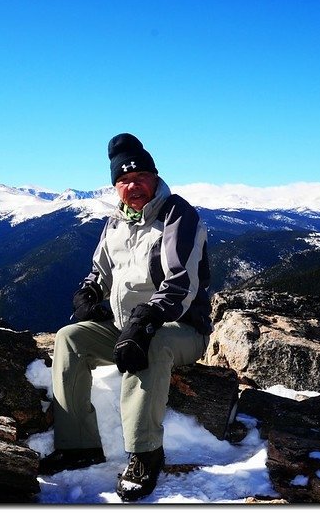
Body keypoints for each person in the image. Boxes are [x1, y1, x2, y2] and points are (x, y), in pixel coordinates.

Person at [38, 133, 212, 502]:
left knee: (152, 344)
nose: (132, 186)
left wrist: (147, 318)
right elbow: (98, 273)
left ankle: (145, 454)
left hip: (179, 328)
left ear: (155, 177)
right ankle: (78, 445)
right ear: (115, 186)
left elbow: (182, 283)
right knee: (70, 337)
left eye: (140, 178)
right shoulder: (115, 221)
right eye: (123, 181)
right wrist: (87, 294)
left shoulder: (178, 216)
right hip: (124, 325)